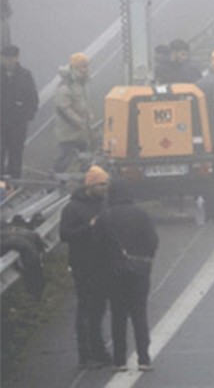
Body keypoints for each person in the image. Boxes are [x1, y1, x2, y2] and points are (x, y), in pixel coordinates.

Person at [97, 179, 158, 372]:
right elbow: (153, 240)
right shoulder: (141, 214)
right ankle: (144, 358)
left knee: (118, 315)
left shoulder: (105, 216)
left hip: (114, 272)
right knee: (139, 314)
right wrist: (146, 259)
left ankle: (119, 360)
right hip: (139, 270)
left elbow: (98, 244)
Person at [61, 165, 112, 369]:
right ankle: (86, 352)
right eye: (101, 184)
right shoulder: (73, 208)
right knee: (85, 308)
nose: (105, 188)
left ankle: (98, 349)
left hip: (103, 263)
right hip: (82, 264)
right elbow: (64, 235)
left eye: (106, 184)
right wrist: (88, 227)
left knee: (98, 308)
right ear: (91, 185)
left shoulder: (104, 204)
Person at [54, 53, 96, 173]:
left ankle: (82, 181)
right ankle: (53, 183)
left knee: (85, 158)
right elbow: (63, 108)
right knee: (65, 158)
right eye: (82, 67)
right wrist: (78, 121)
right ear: (74, 68)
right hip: (69, 131)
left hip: (82, 131)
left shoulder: (81, 84)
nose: (85, 69)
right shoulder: (66, 85)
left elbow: (83, 103)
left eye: (86, 66)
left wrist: (88, 117)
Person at [1, 44, 37, 178]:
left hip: (18, 123)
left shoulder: (25, 75)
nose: (8, 61)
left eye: (11, 58)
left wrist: (27, 115)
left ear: (16, 58)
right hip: (1, 122)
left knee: (16, 152)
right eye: (5, 58)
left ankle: (14, 182)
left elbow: (32, 98)